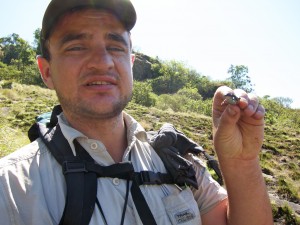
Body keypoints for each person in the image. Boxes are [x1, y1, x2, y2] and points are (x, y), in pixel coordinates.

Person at [0, 0, 273, 224]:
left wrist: (241, 163)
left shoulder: (178, 162)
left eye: (115, 47)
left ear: (130, 62)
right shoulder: (9, 189)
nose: (102, 62)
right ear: (46, 71)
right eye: (77, 47)